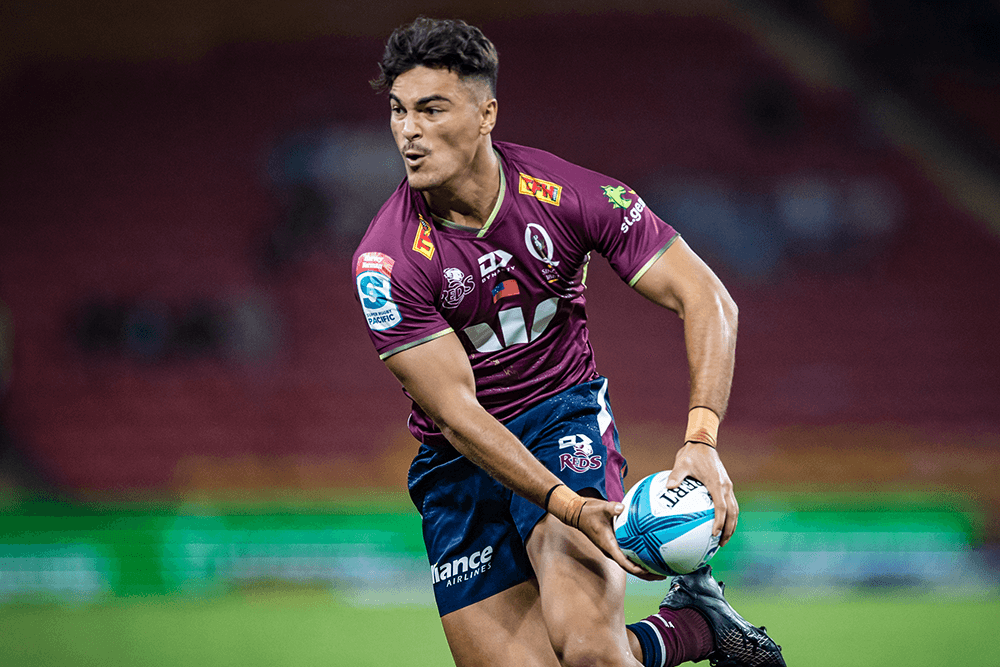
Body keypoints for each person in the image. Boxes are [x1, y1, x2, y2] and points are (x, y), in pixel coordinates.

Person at [352, 17, 786, 667]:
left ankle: (671, 626)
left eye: (431, 109)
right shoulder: (384, 262)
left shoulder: (569, 196)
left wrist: (701, 439)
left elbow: (707, 297)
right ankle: (689, 627)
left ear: (485, 114)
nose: (408, 131)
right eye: (398, 111)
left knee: (588, 651)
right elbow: (460, 415)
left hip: (562, 425)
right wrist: (565, 506)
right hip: (457, 466)